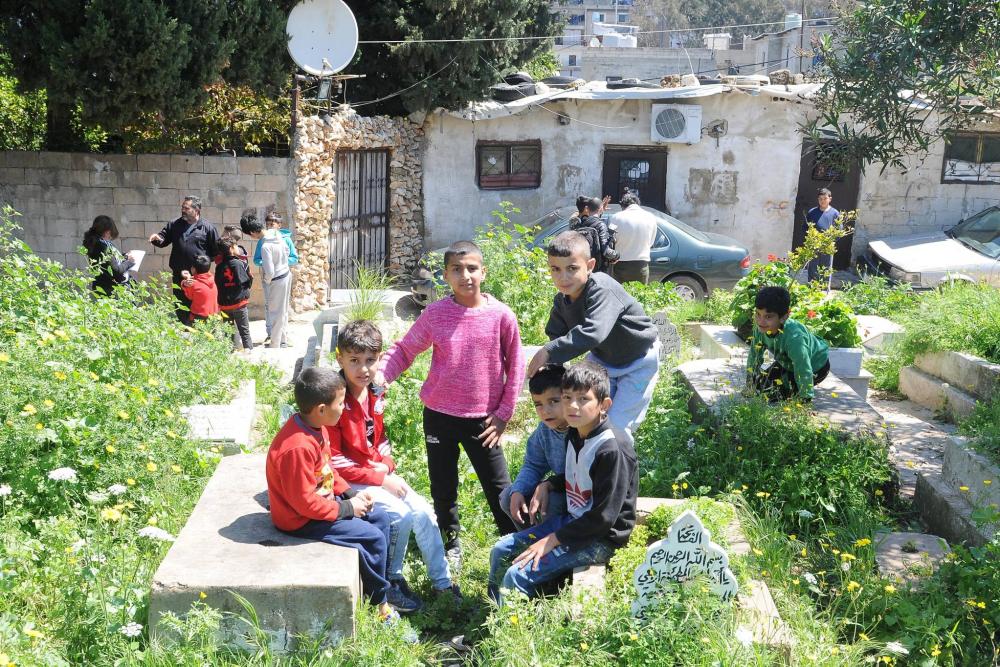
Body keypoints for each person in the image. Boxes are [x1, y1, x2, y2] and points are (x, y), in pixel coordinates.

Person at [373, 240, 525, 568]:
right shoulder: (436, 314)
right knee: (443, 485)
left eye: (471, 268)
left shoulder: (501, 315)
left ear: (483, 272)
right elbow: (406, 349)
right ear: (445, 275)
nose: (465, 275)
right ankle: (450, 542)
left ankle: (514, 544)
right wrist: (383, 374)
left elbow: (516, 366)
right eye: (456, 269)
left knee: (499, 487)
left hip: (484, 420)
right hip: (438, 415)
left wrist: (503, 414)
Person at [329, 319, 460, 611]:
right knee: (400, 516)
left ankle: (443, 584)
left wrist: (386, 464)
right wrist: (380, 478)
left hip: (376, 471)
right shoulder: (335, 397)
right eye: (354, 360)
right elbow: (334, 459)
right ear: (340, 359)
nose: (363, 369)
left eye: (370, 360)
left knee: (424, 514)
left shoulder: (375, 391)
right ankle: (391, 581)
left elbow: (379, 437)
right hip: (349, 480)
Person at [487, 362, 637, 605]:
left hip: (600, 539)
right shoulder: (576, 433)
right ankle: (494, 610)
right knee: (501, 549)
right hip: (572, 523)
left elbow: (603, 518)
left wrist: (552, 540)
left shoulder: (612, 449)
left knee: (516, 575)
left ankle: (509, 624)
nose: (572, 406)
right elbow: (578, 476)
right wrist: (550, 484)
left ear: (604, 405)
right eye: (567, 398)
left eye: (583, 399)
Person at [265, 367, 407, 624]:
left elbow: (328, 471)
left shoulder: (316, 427)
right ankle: (380, 606)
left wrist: (351, 494)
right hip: (301, 520)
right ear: (321, 409)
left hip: (322, 502)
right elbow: (304, 503)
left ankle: (377, 585)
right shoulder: (296, 448)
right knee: (373, 537)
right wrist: (347, 509)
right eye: (340, 404)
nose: (344, 408)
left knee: (380, 519)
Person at [527, 231, 660, 435]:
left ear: (589, 266)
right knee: (589, 419)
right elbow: (556, 334)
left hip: (638, 360)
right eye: (556, 269)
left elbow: (594, 332)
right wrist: (551, 367)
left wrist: (549, 350)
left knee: (618, 427)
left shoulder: (601, 288)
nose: (563, 277)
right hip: (603, 360)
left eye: (572, 268)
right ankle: (583, 454)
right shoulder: (562, 300)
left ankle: (617, 454)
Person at [498, 364, 569, 528]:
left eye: (554, 401)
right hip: (556, 485)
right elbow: (533, 464)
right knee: (509, 496)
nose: (545, 411)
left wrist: (548, 484)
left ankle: (554, 542)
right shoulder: (544, 430)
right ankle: (529, 539)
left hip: (581, 493)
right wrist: (519, 490)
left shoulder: (580, 429)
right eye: (538, 404)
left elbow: (584, 474)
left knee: (551, 502)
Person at [746, 286, 830, 401]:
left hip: (816, 366)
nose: (761, 321)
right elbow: (754, 355)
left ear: (784, 317)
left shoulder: (794, 338)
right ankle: (781, 380)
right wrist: (750, 383)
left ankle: (789, 386)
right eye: (758, 314)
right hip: (784, 358)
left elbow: (803, 368)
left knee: (783, 394)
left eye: (768, 316)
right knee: (761, 386)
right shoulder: (761, 328)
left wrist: (805, 398)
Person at [149, 196, 220, 323]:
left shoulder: (208, 228)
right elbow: (163, 239)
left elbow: (215, 252)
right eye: (182, 207)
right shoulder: (175, 224)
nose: (183, 210)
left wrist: (201, 265)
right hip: (179, 274)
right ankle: (186, 327)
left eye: (186, 208)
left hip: (198, 277)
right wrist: (157, 238)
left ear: (196, 210)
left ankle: (197, 328)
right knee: (180, 303)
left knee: (199, 307)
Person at [240, 213, 290, 349]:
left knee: (274, 313)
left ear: (252, 233)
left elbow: (270, 271)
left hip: (276, 279)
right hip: (286, 274)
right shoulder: (276, 234)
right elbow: (286, 250)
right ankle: (283, 341)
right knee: (282, 311)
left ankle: (275, 344)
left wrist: (267, 281)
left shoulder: (265, 246)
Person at [253, 212, 299, 346]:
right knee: (269, 306)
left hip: (282, 276)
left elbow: (294, 258)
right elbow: (257, 259)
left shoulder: (286, 239)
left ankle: (283, 335)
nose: (270, 227)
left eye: (273, 224)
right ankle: (270, 333)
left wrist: (280, 261)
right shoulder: (263, 241)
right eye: (268, 224)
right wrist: (268, 263)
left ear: (279, 225)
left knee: (283, 307)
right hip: (269, 277)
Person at [608, 189, 657, 284]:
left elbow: (611, 241)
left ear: (622, 206)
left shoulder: (616, 217)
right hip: (642, 265)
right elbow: (651, 242)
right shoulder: (650, 217)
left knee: (619, 293)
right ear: (638, 203)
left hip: (620, 264)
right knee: (639, 293)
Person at [215, 236, 253, 351]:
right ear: (231, 248)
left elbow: (218, 283)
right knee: (244, 330)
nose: (238, 248)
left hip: (225, 305)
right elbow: (246, 281)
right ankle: (248, 350)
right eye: (236, 246)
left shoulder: (219, 266)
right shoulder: (240, 264)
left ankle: (230, 351)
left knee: (228, 331)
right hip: (239, 304)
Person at [82, 215, 135, 295]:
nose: (111, 236)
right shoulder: (102, 247)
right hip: (110, 289)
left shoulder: (98, 243)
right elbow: (116, 271)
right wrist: (129, 262)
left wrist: (126, 256)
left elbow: (111, 261)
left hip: (104, 286)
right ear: (107, 231)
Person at [569, 195, 614, 274]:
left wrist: (600, 209)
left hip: (580, 262)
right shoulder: (591, 223)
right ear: (586, 208)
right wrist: (599, 209)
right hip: (596, 266)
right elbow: (605, 250)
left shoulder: (576, 221)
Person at [805, 188, 840, 282]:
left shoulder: (835, 213)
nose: (822, 201)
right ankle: (811, 286)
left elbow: (839, 231)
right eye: (820, 199)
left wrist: (830, 242)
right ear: (818, 199)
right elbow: (805, 227)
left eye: (825, 198)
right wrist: (811, 240)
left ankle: (824, 287)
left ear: (830, 199)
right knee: (812, 268)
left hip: (827, 246)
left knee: (826, 268)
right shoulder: (812, 212)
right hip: (814, 245)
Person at [180, 255, 219, 324]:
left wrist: (184, 282)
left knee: (188, 328)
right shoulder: (213, 278)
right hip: (214, 315)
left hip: (198, 317)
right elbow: (199, 279)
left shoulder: (193, 284)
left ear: (194, 269)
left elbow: (189, 296)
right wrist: (189, 277)